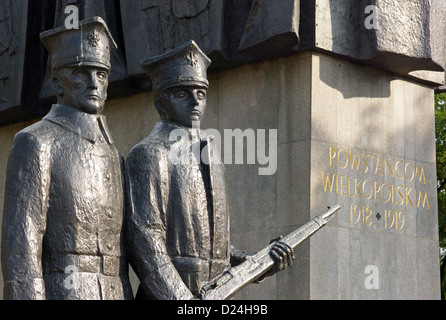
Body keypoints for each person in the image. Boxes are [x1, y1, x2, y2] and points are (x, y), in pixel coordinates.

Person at [125, 40, 294, 300]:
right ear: (161, 104)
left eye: (201, 93)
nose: (195, 101)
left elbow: (220, 251)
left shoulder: (210, 155)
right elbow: (146, 244)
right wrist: (182, 300)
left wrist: (261, 262)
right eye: (182, 93)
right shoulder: (150, 153)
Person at [1, 17, 133, 300]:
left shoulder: (114, 153)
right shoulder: (36, 141)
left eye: (101, 74)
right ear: (58, 82)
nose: (94, 83)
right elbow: (22, 243)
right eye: (81, 73)